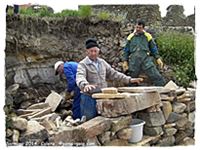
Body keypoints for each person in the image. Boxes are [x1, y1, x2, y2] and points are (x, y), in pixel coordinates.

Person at [76, 38, 143, 120]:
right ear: (87, 52)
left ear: (98, 51)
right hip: (89, 97)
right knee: (89, 120)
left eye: (95, 51)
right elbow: (80, 76)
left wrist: (129, 80)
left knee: (103, 120)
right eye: (91, 51)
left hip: (102, 96)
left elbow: (114, 74)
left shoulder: (102, 62)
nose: (93, 53)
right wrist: (85, 84)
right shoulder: (83, 64)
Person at [122, 19, 166, 86]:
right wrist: (125, 61)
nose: (138, 29)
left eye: (140, 28)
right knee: (132, 79)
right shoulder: (130, 37)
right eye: (137, 27)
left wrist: (157, 58)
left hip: (145, 59)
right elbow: (126, 50)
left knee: (155, 75)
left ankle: (163, 88)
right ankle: (131, 93)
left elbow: (153, 48)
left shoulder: (147, 36)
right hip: (134, 61)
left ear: (143, 28)